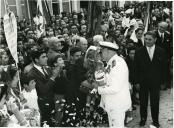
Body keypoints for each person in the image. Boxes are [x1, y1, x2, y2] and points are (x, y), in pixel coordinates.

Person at [134, 31, 166, 128]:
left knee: (155, 102)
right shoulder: (139, 51)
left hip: (155, 82)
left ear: (155, 40)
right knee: (143, 101)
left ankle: (155, 121)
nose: (147, 41)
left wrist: (163, 82)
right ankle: (143, 119)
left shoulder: (161, 51)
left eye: (150, 39)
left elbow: (164, 68)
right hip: (143, 81)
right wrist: (136, 82)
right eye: (146, 39)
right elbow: (135, 68)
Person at [96, 41, 131, 127]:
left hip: (117, 104)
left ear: (107, 51)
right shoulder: (111, 62)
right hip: (112, 103)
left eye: (102, 51)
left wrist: (99, 89)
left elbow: (115, 88)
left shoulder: (118, 64)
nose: (101, 54)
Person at [28, 47, 60, 126]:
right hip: (42, 106)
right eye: (43, 57)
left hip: (51, 102)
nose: (46, 59)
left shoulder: (46, 68)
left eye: (46, 56)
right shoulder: (32, 73)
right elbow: (42, 90)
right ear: (36, 60)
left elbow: (53, 85)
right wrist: (53, 77)